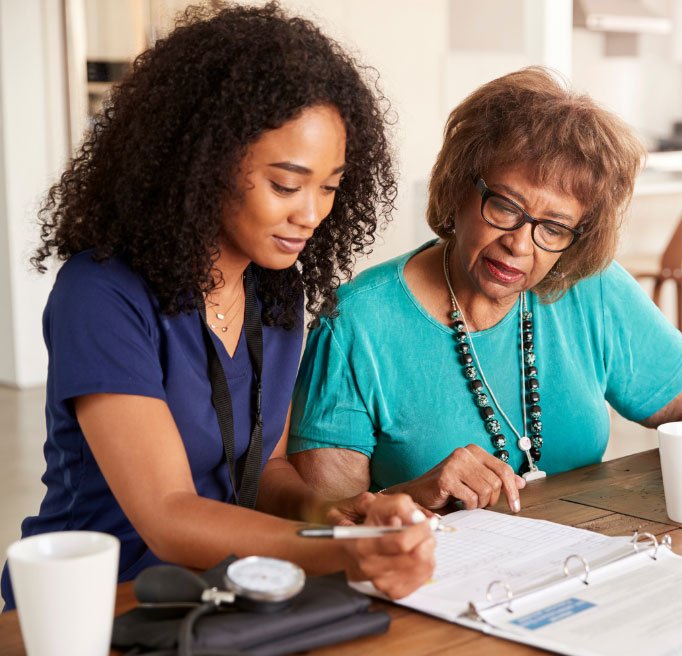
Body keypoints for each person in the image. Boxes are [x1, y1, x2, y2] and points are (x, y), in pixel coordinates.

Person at [1, 3, 434, 611]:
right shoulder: (100, 295)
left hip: (225, 597)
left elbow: (267, 470)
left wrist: (342, 518)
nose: (310, 214)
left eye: (330, 186)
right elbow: (169, 516)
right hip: (97, 607)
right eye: (286, 184)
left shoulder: (276, 289)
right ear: (202, 164)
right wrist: (339, 550)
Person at [288, 67, 682, 514]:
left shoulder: (589, 290)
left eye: (553, 228)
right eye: (505, 207)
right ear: (457, 189)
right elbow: (326, 524)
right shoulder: (356, 323)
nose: (519, 244)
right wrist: (414, 495)